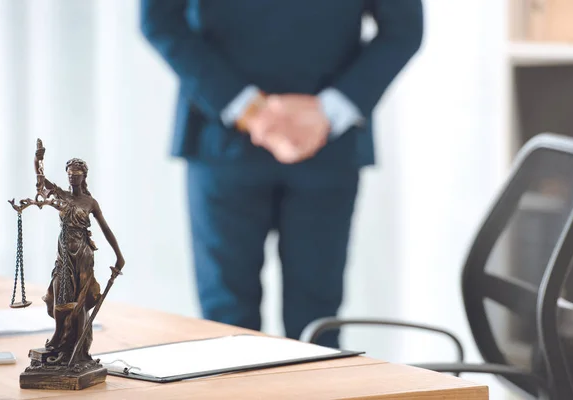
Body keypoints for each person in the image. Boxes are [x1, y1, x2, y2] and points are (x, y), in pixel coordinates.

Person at [140, 0, 423, 348]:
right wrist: (250, 109)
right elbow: (159, 20)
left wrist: (327, 113)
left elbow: (404, 29)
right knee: (225, 329)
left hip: (325, 150)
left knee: (317, 326)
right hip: (221, 145)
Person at [33, 142, 125, 363]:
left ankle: (77, 350)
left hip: (83, 256)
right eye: (70, 175)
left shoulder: (90, 202)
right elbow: (40, 180)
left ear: (84, 177)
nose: (72, 178)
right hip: (64, 254)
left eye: (77, 174)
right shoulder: (61, 196)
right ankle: (59, 337)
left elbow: (106, 229)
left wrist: (119, 255)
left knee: (80, 302)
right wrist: (37, 159)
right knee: (58, 295)